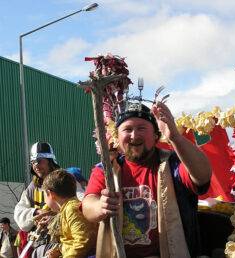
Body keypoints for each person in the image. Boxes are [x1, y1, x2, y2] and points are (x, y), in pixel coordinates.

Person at [82, 101, 212, 258]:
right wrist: (100, 206)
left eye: (141, 128)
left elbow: (203, 176)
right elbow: (88, 204)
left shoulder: (173, 164)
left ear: (156, 136)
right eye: (127, 129)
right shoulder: (106, 169)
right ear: (118, 137)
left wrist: (175, 137)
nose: (134, 135)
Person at [14, 141, 60, 257]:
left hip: (62, 242)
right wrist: (37, 212)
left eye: (39, 161)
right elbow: (19, 213)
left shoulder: (64, 180)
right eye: (33, 162)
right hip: (39, 246)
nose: (35, 165)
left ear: (50, 161)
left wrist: (55, 217)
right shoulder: (32, 188)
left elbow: (79, 203)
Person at [42, 169, 96, 258]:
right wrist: (59, 251)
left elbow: (83, 241)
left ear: (50, 194)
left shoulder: (72, 209)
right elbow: (71, 241)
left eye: (44, 194)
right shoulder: (66, 209)